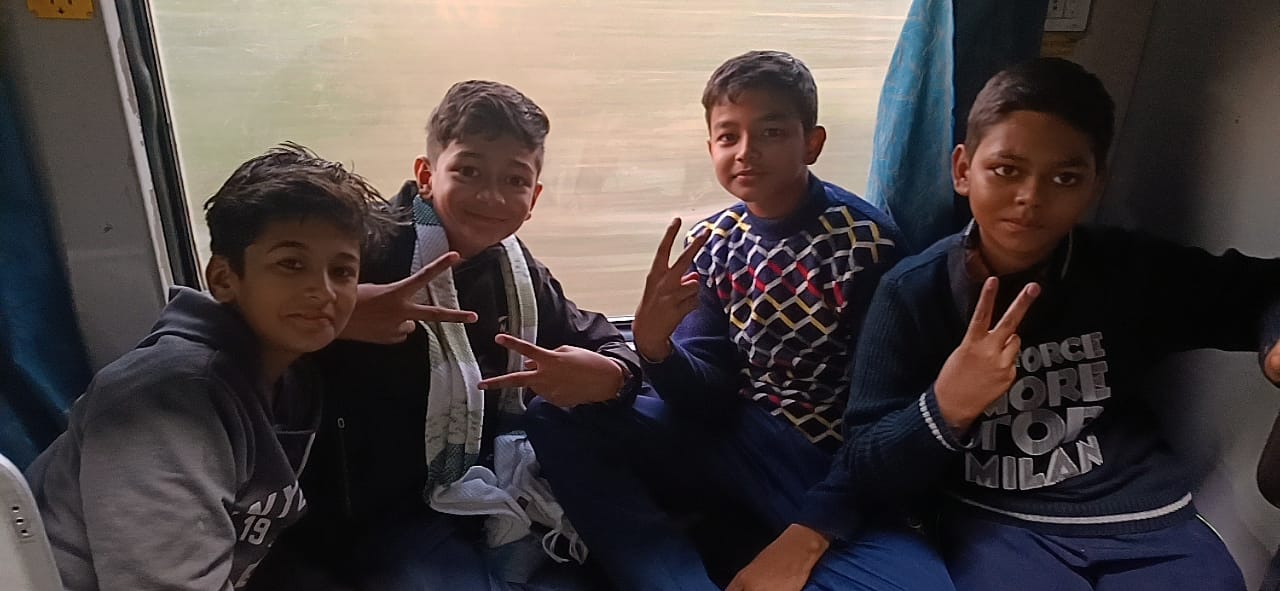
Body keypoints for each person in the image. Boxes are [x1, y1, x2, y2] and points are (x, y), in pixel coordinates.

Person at [837, 57, 1280, 590]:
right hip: (996, 519)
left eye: (1065, 178)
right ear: (963, 170)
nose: (1031, 197)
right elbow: (863, 465)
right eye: (1007, 170)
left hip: (1141, 514)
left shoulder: (1129, 271)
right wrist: (946, 405)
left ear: (1095, 186)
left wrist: (1274, 339)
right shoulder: (913, 293)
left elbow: (1265, 287)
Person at [526, 50, 954, 591]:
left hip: (819, 463)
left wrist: (824, 518)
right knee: (555, 414)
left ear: (812, 143)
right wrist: (656, 349)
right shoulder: (713, 241)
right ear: (711, 148)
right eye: (728, 137)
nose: (746, 152)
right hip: (730, 434)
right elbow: (708, 395)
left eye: (771, 132)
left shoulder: (866, 245)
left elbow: (883, 412)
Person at [256, 80, 642, 590]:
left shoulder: (514, 270)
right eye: (468, 171)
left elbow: (596, 339)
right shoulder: (360, 250)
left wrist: (613, 374)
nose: (490, 196)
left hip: (494, 486)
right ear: (426, 175)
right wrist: (337, 318)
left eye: (514, 180)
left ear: (533, 198)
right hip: (376, 515)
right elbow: (239, 326)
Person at [25, 143, 392, 590]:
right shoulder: (169, 404)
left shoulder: (288, 379)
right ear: (223, 278)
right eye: (291, 264)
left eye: (342, 271)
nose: (324, 292)